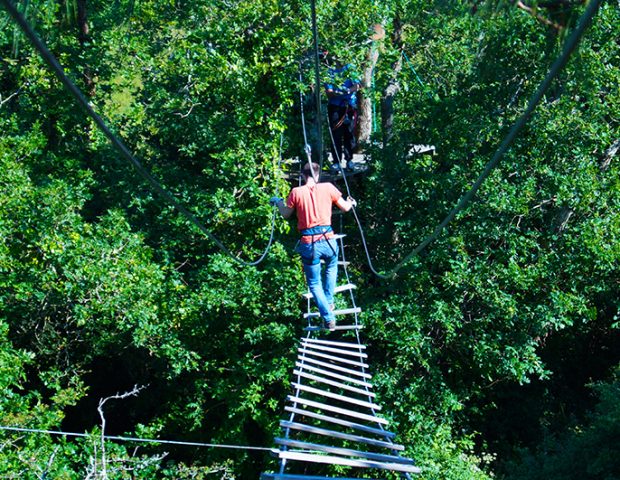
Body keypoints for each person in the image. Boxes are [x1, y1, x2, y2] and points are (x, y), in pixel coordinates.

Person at [270, 162, 357, 330]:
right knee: (332, 268)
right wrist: (351, 202)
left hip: (310, 243)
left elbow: (286, 214)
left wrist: (278, 202)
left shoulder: (296, 192)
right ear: (317, 175)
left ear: (303, 176)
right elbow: (345, 207)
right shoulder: (329, 187)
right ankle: (329, 302)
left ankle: (328, 317)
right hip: (329, 240)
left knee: (314, 283)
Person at [324, 61, 361, 173]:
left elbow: (357, 85)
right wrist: (337, 93)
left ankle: (349, 160)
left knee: (349, 134)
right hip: (335, 106)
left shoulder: (350, 68)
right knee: (336, 134)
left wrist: (348, 90)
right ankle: (336, 162)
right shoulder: (329, 71)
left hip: (349, 106)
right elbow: (329, 92)